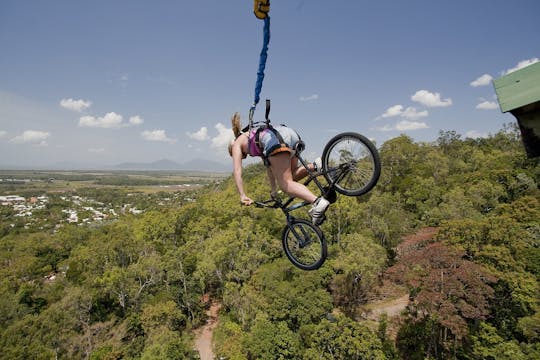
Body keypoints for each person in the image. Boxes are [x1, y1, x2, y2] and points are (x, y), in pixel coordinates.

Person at [228, 112, 329, 225]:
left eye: (244, 155)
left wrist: (242, 195)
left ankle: (317, 202)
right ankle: (316, 166)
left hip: (276, 140)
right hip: (289, 134)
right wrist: (273, 190)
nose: (247, 155)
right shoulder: (254, 137)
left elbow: (237, 171)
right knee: (292, 176)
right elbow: (269, 168)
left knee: (286, 184)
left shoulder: (236, 144)